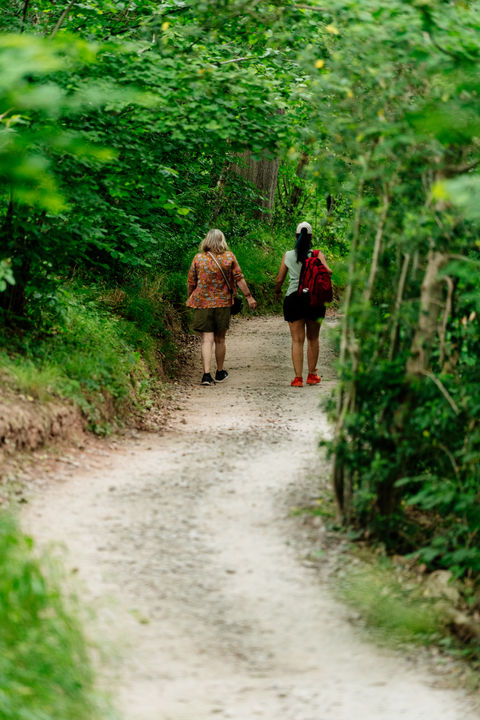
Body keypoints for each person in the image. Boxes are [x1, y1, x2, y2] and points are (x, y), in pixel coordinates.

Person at [187, 229, 257, 385]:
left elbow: (191, 281)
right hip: (223, 303)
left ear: (206, 241)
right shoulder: (229, 257)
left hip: (203, 303)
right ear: (222, 241)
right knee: (220, 339)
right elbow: (239, 278)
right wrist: (249, 297)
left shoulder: (198, 258)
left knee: (207, 339)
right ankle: (219, 372)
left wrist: (190, 297)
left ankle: (206, 375)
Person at [274, 221, 332, 387]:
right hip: (314, 299)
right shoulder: (317, 254)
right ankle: (312, 375)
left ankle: (298, 378)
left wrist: (277, 292)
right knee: (313, 338)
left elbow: (279, 279)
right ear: (311, 236)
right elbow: (329, 272)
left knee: (297, 340)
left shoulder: (288, 255)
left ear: (296, 236)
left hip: (293, 298)